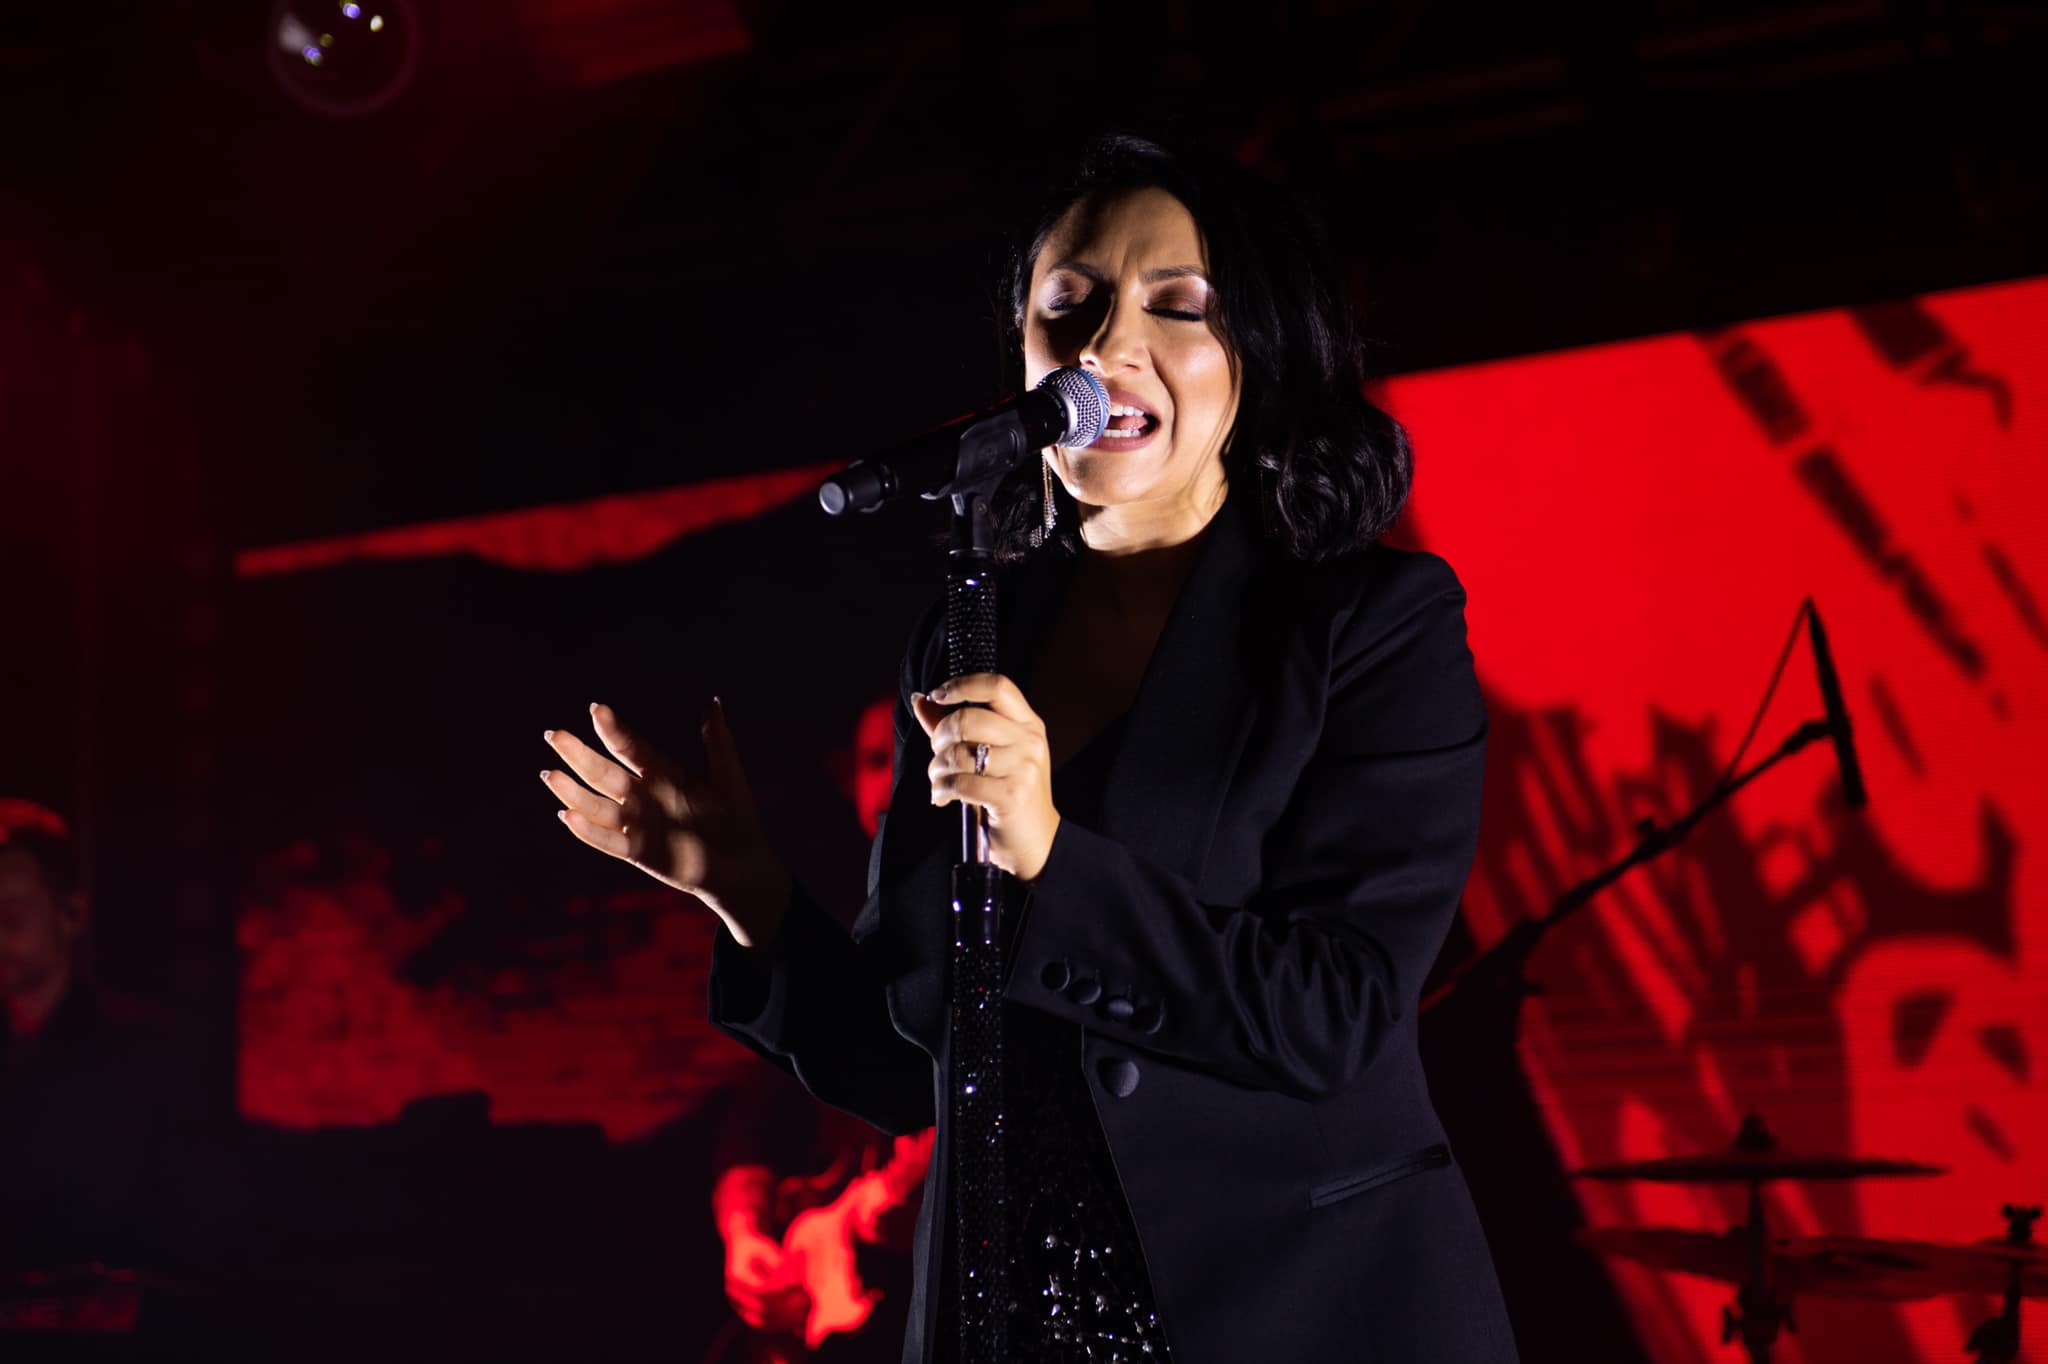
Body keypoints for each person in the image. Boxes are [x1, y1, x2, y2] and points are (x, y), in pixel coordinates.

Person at [539, 135, 1518, 1362]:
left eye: (1175, 305)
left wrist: (1050, 852)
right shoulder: (970, 632)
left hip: (1300, 1310)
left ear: (1258, 353)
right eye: (1070, 304)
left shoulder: (1367, 625)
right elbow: (917, 1065)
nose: (1105, 344)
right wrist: (744, 891)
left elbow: (1332, 1011)